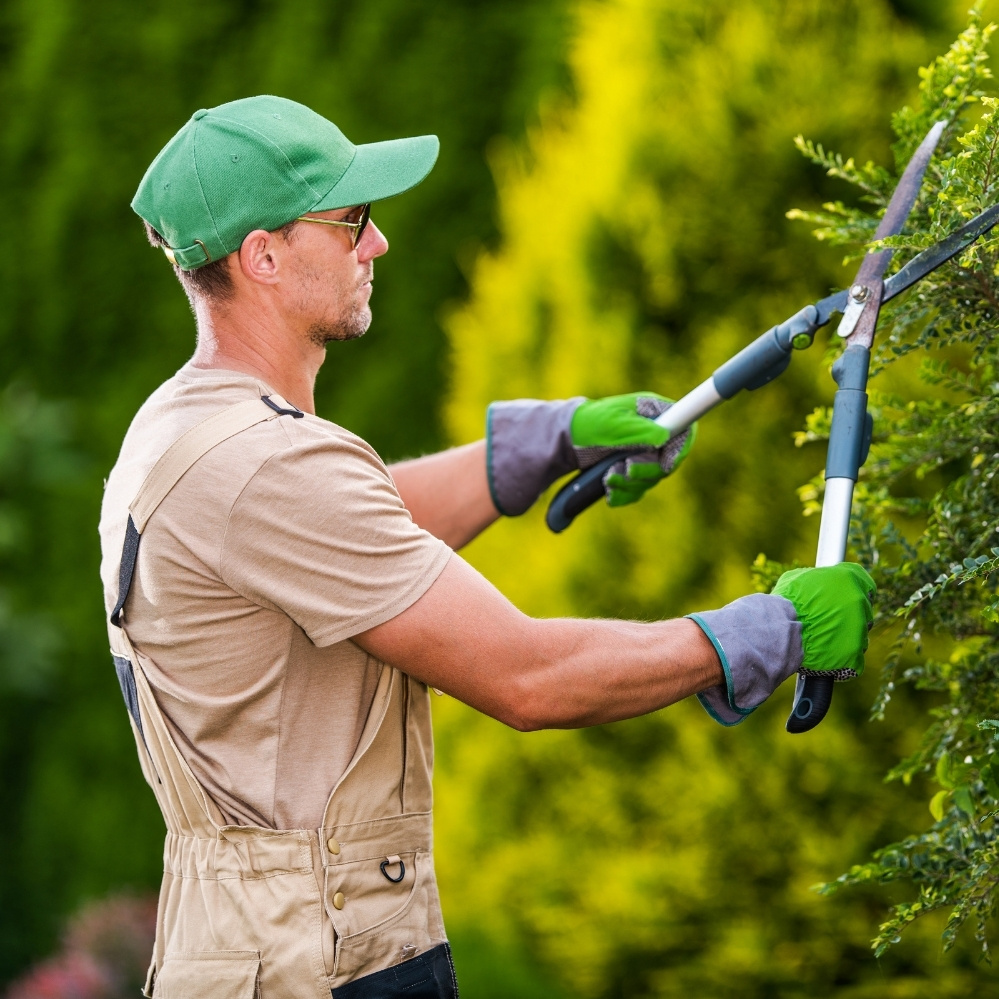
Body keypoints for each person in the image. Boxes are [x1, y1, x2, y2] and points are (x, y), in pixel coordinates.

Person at [99, 96, 875, 999]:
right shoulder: (267, 464)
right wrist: (764, 632)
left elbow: (355, 528)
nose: (376, 244)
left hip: (254, 947)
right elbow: (527, 677)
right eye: (350, 222)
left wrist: (548, 441)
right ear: (262, 256)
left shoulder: (188, 429)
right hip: (321, 965)